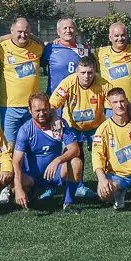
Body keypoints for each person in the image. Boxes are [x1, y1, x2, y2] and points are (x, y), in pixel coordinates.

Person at [11, 92, 82, 214]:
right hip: (32, 177)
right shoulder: (25, 130)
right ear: (30, 110)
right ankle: (31, 195)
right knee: (15, 181)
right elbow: (17, 161)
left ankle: (68, 202)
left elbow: (75, 149)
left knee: (76, 163)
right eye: (37, 110)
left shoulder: (59, 124)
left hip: (55, 172)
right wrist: (18, 188)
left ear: (49, 108)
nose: (41, 114)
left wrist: (57, 160)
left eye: (44, 109)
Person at [49, 56, 109, 190]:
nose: (86, 76)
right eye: (83, 72)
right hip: (73, 126)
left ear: (95, 71)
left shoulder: (103, 84)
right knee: (74, 154)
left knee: (103, 152)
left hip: (95, 126)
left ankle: (107, 183)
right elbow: (52, 104)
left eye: (90, 72)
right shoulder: (68, 82)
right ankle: (76, 185)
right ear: (77, 71)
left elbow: (114, 103)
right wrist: (55, 118)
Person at [91, 90, 131, 210]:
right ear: (109, 104)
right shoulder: (103, 129)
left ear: (127, 102)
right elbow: (97, 156)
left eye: (122, 101)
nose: (119, 105)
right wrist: (102, 180)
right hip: (118, 175)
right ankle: (120, 190)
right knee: (103, 194)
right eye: (115, 102)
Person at [0, 17, 46, 141]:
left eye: (26, 32)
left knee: (32, 143)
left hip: (33, 106)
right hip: (10, 107)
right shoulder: (2, 48)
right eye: (19, 32)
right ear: (12, 30)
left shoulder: (38, 48)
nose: (23, 35)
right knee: (9, 144)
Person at [95, 22, 131, 116]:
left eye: (123, 35)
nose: (120, 38)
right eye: (116, 36)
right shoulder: (99, 53)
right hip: (110, 107)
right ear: (110, 37)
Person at [41, 17, 91, 93]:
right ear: (58, 31)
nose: (68, 31)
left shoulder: (84, 48)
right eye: (65, 28)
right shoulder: (50, 48)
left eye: (71, 28)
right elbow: (38, 64)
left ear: (75, 30)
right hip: (55, 96)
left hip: (79, 96)